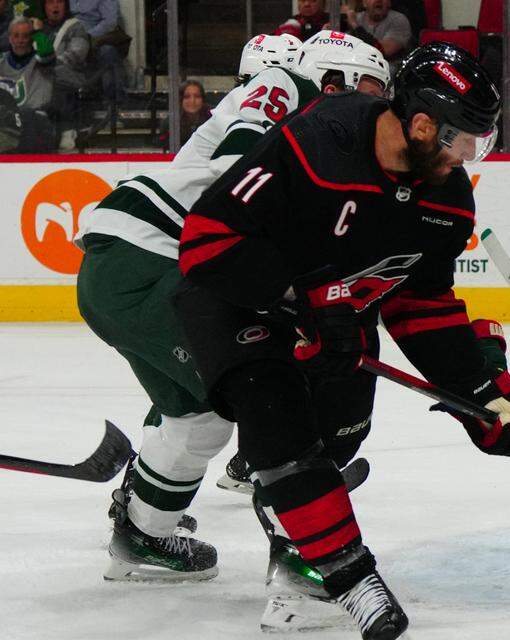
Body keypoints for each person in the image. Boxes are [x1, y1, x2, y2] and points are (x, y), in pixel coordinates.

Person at [171, 42, 510, 640]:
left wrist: (484, 398)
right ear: (422, 124)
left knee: (343, 426)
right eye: (462, 141)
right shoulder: (319, 141)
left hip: (337, 318)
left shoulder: (446, 198)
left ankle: (299, 539)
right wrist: (310, 299)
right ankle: (347, 578)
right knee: (276, 414)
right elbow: (207, 243)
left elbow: (421, 304)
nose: (467, 158)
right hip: (235, 299)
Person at [74, 32, 387, 601]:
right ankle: (306, 557)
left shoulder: (323, 134)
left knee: (199, 415)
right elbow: (239, 177)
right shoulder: (284, 87)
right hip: (153, 258)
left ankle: (143, 535)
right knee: (278, 388)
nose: (375, 104)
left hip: (130, 270)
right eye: (368, 87)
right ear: (333, 76)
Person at [35, 0, 87, 151]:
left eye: (59, 2)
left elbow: (76, 55)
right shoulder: (38, 27)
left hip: (71, 76)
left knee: (52, 77)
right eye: (50, 2)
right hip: (41, 76)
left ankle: (67, 130)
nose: (55, 6)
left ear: (66, 6)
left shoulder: (76, 26)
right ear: (44, 6)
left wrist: (47, 64)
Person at [0, 16, 55, 152]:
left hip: (37, 123)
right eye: (16, 36)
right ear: (10, 38)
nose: (20, 40)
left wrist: (38, 32)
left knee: (26, 114)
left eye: (25, 36)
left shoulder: (40, 61)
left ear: (31, 38)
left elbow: (47, 53)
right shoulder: (1, 61)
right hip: (7, 124)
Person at [68, 0, 127, 108]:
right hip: (70, 36)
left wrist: (87, 36)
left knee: (108, 52)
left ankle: (114, 104)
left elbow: (110, 22)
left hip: (96, 37)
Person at [342, 0, 413, 60]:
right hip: (359, 63)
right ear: (364, 3)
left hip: (387, 66)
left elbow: (381, 51)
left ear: (389, 3)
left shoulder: (398, 19)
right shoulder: (357, 17)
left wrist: (355, 25)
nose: (379, 0)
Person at [158, 79, 209, 151]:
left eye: (197, 96)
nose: (192, 101)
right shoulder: (169, 123)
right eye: (187, 97)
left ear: (203, 99)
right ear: (180, 99)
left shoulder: (212, 120)